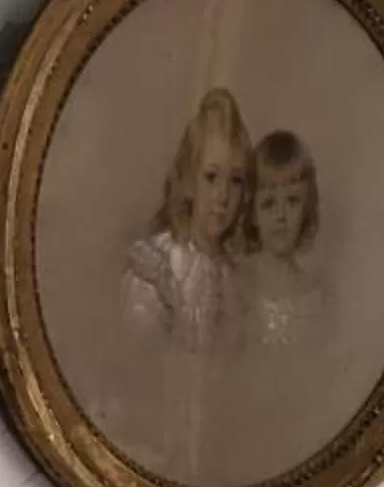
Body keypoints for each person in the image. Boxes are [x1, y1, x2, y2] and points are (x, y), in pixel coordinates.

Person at [119, 87, 254, 355]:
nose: (223, 196)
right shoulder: (155, 267)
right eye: (211, 177)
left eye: (235, 181)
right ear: (190, 180)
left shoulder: (235, 279)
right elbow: (138, 370)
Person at [246, 129, 333, 351]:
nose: (281, 215)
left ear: (306, 209)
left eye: (292, 201)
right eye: (269, 204)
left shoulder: (315, 297)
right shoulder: (236, 287)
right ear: (253, 213)